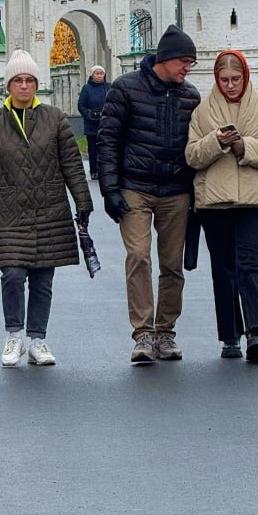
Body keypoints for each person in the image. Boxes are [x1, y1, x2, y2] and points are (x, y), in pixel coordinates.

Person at [0, 48, 93, 369]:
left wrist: (83, 203)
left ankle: (37, 340)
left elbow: (72, 166)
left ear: (36, 84)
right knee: (12, 274)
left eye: (30, 80)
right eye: (18, 80)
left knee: (42, 279)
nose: (24, 85)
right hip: (10, 213)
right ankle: (14, 336)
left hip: (51, 211)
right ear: (8, 85)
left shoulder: (55, 119)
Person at [97, 24, 201, 364]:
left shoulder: (191, 96)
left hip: (176, 191)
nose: (188, 69)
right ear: (166, 58)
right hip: (135, 188)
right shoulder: (125, 89)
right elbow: (108, 141)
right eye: (185, 62)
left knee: (172, 265)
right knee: (139, 257)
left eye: (191, 63)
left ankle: (165, 333)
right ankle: (143, 333)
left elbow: (196, 147)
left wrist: (197, 195)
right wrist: (110, 190)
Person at [185, 49, 258, 363]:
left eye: (235, 79)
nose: (230, 85)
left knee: (250, 265)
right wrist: (216, 141)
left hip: (253, 202)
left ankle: (255, 331)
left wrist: (244, 146)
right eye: (224, 79)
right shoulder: (203, 113)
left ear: (245, 77)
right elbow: (192, 156)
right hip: (214, 203)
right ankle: (230, 336)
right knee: (224, 268)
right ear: (216, 79)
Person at [77, 64, 111, 179]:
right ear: (92, 75)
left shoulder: (109, 87)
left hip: (106, 123)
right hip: (91, 124)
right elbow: (81, 105)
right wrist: (88, 115)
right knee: (93, 149)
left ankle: (106, 170)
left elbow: (114, 101)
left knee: (107, 148)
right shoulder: (86, 88)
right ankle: (94, 170)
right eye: (97, 73)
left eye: (101, 73)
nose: (99, 76)